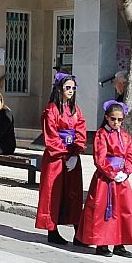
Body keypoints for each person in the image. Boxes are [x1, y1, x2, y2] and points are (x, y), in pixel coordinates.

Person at [75, 101, 132, 258]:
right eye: (113, 119)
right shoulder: (101, 135)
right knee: (104, 211)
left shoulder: (125, 136)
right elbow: (100, 159)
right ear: (107, 118)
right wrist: (112, 173)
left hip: (121, 179)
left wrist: (127, 171)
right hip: (106, 179)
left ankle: (119, 244)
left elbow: (130, 156)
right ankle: (102, 244)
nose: (116, 123)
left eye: (120, 120)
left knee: (123, 210)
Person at [36, 73, 87, 245]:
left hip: (72, 157)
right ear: (59, 88)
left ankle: (78, 231)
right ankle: (52, 229)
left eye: (73, 88)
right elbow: (51, 135)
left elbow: (81, 131)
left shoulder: (75, 110)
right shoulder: (51, 110)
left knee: (74, 193)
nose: (71, 91)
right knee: (53, 192)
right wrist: (64, 155)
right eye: (68, 87)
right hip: (55, 158)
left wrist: (75, 153)